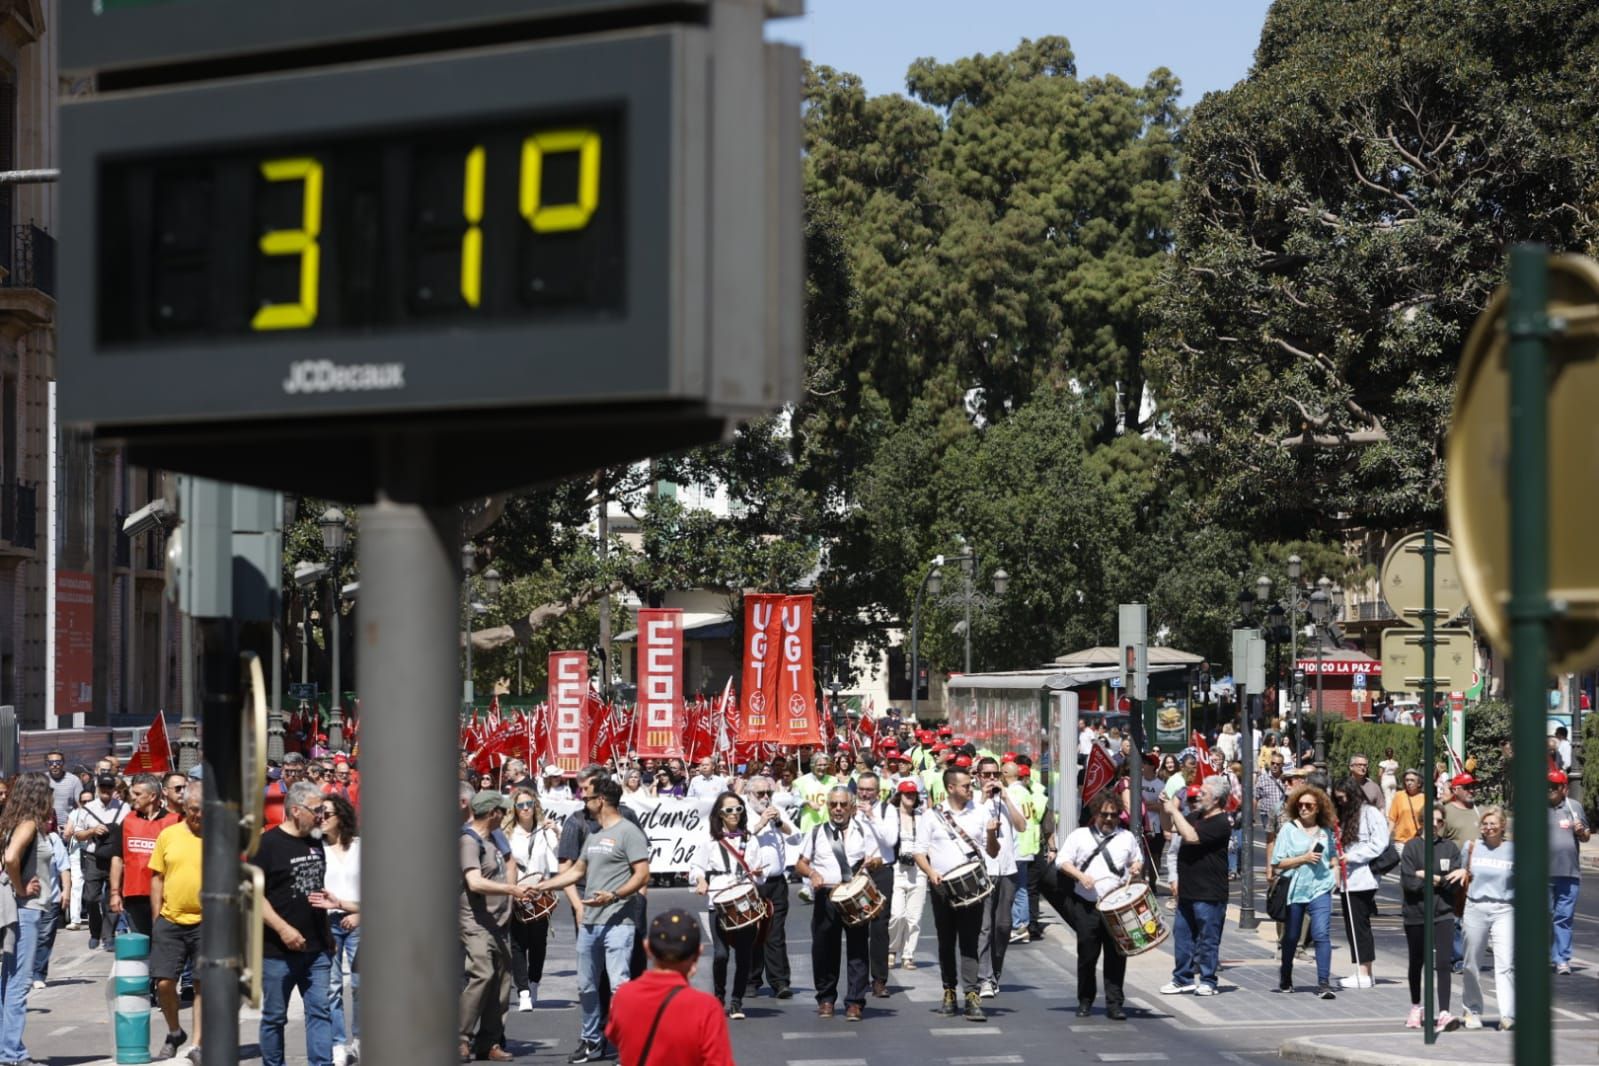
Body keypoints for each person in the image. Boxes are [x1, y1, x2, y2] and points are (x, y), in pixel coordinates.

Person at [529, 774, 651, 1065]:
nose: (583, 800)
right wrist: (542, 885)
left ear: (601, 800)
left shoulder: (628, 832)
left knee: (620, 986)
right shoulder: (593, 834)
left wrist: (615, 895)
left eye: (587, 797)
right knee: (586, 985)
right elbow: (575, 871)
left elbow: (642, 874)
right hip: (590, 922)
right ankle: (592, 1041)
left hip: (619, 922)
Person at [911, 766, 1000, 1023]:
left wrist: (993, 833)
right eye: (965, 786)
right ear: (951, 788)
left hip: (972, 887)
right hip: (942, 887)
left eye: (970, 785)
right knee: (946, 941)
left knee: (970, 941)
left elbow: (992, 852)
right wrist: (930, 872)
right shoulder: (931, 816)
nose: (970, 789)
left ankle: (972, 995)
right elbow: (919, 850)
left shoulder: (980, 812)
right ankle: (949, 991)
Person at [256, 781, 335, 1066]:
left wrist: (327, 931)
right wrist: (283, 929)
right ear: (295, 810)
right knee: (275, 1017)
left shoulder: (316, 841)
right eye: (317, 810)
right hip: (277, 952)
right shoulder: (266, 845)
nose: (322, 817)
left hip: (317, 949)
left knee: (320, 1012)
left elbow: (315, 886)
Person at [1053, 787, 1143, 1020]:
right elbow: (1061, 861)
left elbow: (1136, 859)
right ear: (1096, 814)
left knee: (1117, 957)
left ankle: (1115, 1004)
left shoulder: (1127, 837)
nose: (1109, 819)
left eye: (1114, 815)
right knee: (1087, 956)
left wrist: (1136, 867)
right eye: (1105, 815)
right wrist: (1080, 877)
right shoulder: (1079, 836)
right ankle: (1085, 1001)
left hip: (1117, 908)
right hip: (1087, 905)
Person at [794, 787, 882, 1021]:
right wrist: (812, 874)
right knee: (824, 949)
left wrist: (873, 863)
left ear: (852, 806)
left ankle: (854, 1002)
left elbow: (877, 858)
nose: (838, 809)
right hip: (827, 895)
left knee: (858, 949)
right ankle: (825, 998)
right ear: (828, 806)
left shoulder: (864, 830)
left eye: (843, 804)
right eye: (833, 804)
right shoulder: (816, 832)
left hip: (855, 895)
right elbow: (800, 863)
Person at [604, 909, 734, 1066]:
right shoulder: (706, 1007)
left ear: (647, 949)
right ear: (698, 952)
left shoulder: (624, 996)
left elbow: (615, 1036)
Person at [457, 789, 524, 1063]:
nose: (507, 815)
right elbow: (474, 882)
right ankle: (460, 1038)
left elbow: (510, 862)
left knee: (501, 981)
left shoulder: (496, 835)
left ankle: (490, 1042)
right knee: (482, 973)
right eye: (504, 811)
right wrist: (510, 889)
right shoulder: (468, 841)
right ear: (493, 813)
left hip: (499, 920)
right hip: (475, 920)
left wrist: (512, 893)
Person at [691, 790, 766, 1019]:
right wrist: (701, 880)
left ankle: (737, 1001)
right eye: (729, 810)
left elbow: (761, 873)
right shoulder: (709, 839)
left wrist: (759, 874)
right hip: (719, 902)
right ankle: (718, 997)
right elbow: (696, 867)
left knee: (744, 955)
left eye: (738, 809)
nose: (734, 814)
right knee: (721, 954)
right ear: (720, 814)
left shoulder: (750, 839)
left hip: (744, 899)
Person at [1160, 776, 1231, 996]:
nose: (1198, 794)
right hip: (1188, 890)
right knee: (1182, 937)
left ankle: (1208, 980)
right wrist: (1166, 808)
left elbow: (1191, 837)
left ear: (1217, 798)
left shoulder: (1221, 823)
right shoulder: (1194, 816)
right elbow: (1171, 830)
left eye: (1204, 792)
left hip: (1209, 892)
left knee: (1208, 940)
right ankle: (1182, 978)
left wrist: (1174, 811)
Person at [148, 781, 205, 1062]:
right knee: (163, 983)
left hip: (206, 923)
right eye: (194, 809)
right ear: (185, 807)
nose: (199, 815)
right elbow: (156, 877)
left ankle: (196, 1045)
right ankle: (174, 1031)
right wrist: (157, 916)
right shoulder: (168, 835)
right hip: (170, 920)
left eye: (205, 810)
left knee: (201, 984)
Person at [1270, 784, 1337, 998]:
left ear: (1319, 808)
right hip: (1295, 888)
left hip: (1321, 887)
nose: (1304, 809)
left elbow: (1332, 856)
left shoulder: (1326, 831)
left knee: (1321, 934)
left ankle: (1324, 983)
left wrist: (1336, 866)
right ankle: (1286, 974)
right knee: (1291, 936)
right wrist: (1303, 858)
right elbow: (1278, 862)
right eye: (1300, 805)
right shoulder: (1289, 830)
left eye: (1309, 805)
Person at [1450, 805, 1513, 1030]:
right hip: (1475, 907)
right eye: (1485, 824)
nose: (1488, 828)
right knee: (1471, 963)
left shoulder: (1514, 850)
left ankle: (1508, 1015)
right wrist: (1463, 873)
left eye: (1493, 824)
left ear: (1503, 825)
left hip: (1504, 909)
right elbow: (1463, 869)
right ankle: (1472, 1010)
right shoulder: (1472, 847)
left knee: (1505, 963)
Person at [0, 774, 49, 1065]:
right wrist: (20, 888)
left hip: (18, 908)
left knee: (7, 982)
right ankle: (12, 1053)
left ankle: (7, 1049)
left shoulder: (12, 821)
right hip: (25, 909)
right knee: (19, 983)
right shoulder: (29, 822)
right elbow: (10, 858)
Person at [1400, 805, 1460, 1031]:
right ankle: (1416, 1007)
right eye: (1430, 820)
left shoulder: (1450, 848)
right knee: (1417, 962)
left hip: (1443, 913)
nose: (1434, 824)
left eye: (1439, 821)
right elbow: (1409, 883)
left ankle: (1444, 1012)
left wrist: (1427, 875)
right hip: (1416, 914)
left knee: (1443, 963)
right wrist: (1438, 880)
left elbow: (1452, 885)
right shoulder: (1411, 847)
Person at [972, 757, 1025, 999]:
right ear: (978, 776)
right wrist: (983, 798)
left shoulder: (1007, 798)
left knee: (1003, 926)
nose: (991, 779)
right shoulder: (973, 801)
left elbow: (1022, 826)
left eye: (996, 774)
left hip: (1007, 869)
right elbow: (972, 827)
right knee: (984, 927)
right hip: (984, 871)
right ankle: (984, 977)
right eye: (987, 775)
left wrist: (1005, 798)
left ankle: (995, 971)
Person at [1331, 777, 1389, 989]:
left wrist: (1353, 857)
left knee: (1359, 926)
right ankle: (1362, 971)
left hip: (1363, 878)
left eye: (1344, 797)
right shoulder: (1348, 816)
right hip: (1349, 879)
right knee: (1352, 926)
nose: (1342, 802)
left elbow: (1380, 842)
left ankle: (1364, 972)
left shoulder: (1370, 813)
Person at [742, 775, 795, 1000]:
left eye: (768, 794)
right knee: (752, 933)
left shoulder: (775, 813)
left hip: (776, 882)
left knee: (775, 933)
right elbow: (741, 839)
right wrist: (761, 822)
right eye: (760, 794)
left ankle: (780, 981)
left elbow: (794, 835)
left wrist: (779, 822)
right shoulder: (741, 814)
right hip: (752, 883)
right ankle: (752, 979)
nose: (765, 798)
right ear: (749, 795)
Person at [317, 794, 361, 1066]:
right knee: (331, 987)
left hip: (359, 921)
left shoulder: (361, 847)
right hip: (327, 922)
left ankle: (359, 1040)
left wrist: (360, 913)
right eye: (318, 813)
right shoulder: (314, 849)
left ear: (341, 817)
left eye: (327, 814)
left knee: (360, 985)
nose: (321, 818)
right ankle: (337, 1043)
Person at [506, 787, 558, 1010]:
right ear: (514, 809)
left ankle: (534, 982)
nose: (525, 808)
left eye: (529, 804)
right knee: (517, 944)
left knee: (538, 942)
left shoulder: (544, 831)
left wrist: (557, 831)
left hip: (539, 891)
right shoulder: (508, 833)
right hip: (516, 891)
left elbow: (560, 856)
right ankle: (524, 991)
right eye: (520, 805)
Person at [110, 773, 180, 940]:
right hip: (135, 896)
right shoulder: (128, 821)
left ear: (153, 796)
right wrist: (114, 893)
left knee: (164, 943)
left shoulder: (174, 821)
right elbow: (117, 858)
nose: (132, 798)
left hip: (166, 896)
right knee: (141, 945)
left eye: (138, 794)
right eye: (132, 793)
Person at [853, 772, 899, 998]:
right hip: (858, 872)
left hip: (881, 871)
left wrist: (872, 816)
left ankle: (879, 979)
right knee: (857, 924)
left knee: (879, 926)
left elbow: (890, 840)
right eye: (861, 789)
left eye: (869, 790)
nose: (863, 793)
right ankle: (858, 979)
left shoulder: (886, 811)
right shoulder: (850, 810)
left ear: (878, 791)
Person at [72, 772, 127, 952]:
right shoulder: (87, 809)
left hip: (115, 859)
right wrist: (93, 831)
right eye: (103, 787)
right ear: (97, 788)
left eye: (109, 787)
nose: (106, 791)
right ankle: (95, 932)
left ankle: (108, 936)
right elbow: (77, 834)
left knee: (112, 897)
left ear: (114, 789)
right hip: (93, 859)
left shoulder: (124, 808)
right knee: (91, 898)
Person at [1547, 769, 1589, 976]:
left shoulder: (1574, 808)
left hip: (1569, 872)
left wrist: (1581, 831)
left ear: (1563, 788)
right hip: (1543, 875)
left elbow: (1586, 836)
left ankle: (1562, 959)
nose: (1549, 791)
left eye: (1554, 787)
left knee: (1563, 918)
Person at [887, 780, 927, 970]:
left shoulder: (922, 817)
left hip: (918, 869)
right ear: (899, 796)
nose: (910, 797)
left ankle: (908, 955)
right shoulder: (892, 816)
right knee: (897, 914)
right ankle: (891, 949)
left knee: (914, 917)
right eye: (906, 794)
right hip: (897, 868)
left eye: (913, 794)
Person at [1387, 769, 1427, 847]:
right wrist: (1386, 837)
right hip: (1401, 841)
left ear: (1419, 783)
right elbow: (1392, 819)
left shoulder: (1424, 798)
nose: (1409, 783)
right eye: (1407, 780)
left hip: (1419, 841)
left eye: (1412, 780)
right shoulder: (1399, 796)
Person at [44, 752, 79, 836]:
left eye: (58, 762)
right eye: (51, 762)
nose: (55, 765)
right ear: (46, 763)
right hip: (48, 827)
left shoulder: (73, 780)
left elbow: (80, 806)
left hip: (67, 828)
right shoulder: (43, 780)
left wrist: (72, 825)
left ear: (63, 763)